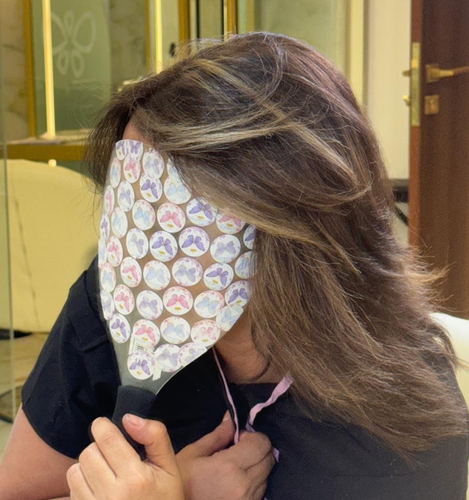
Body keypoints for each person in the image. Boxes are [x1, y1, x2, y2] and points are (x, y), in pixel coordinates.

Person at [1, 31, 468, 499]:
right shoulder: (115, 298)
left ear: (287, 225)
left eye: (173, 215)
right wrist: (185, 490)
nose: (137, 251)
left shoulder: (403, 429)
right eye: (129, 206)